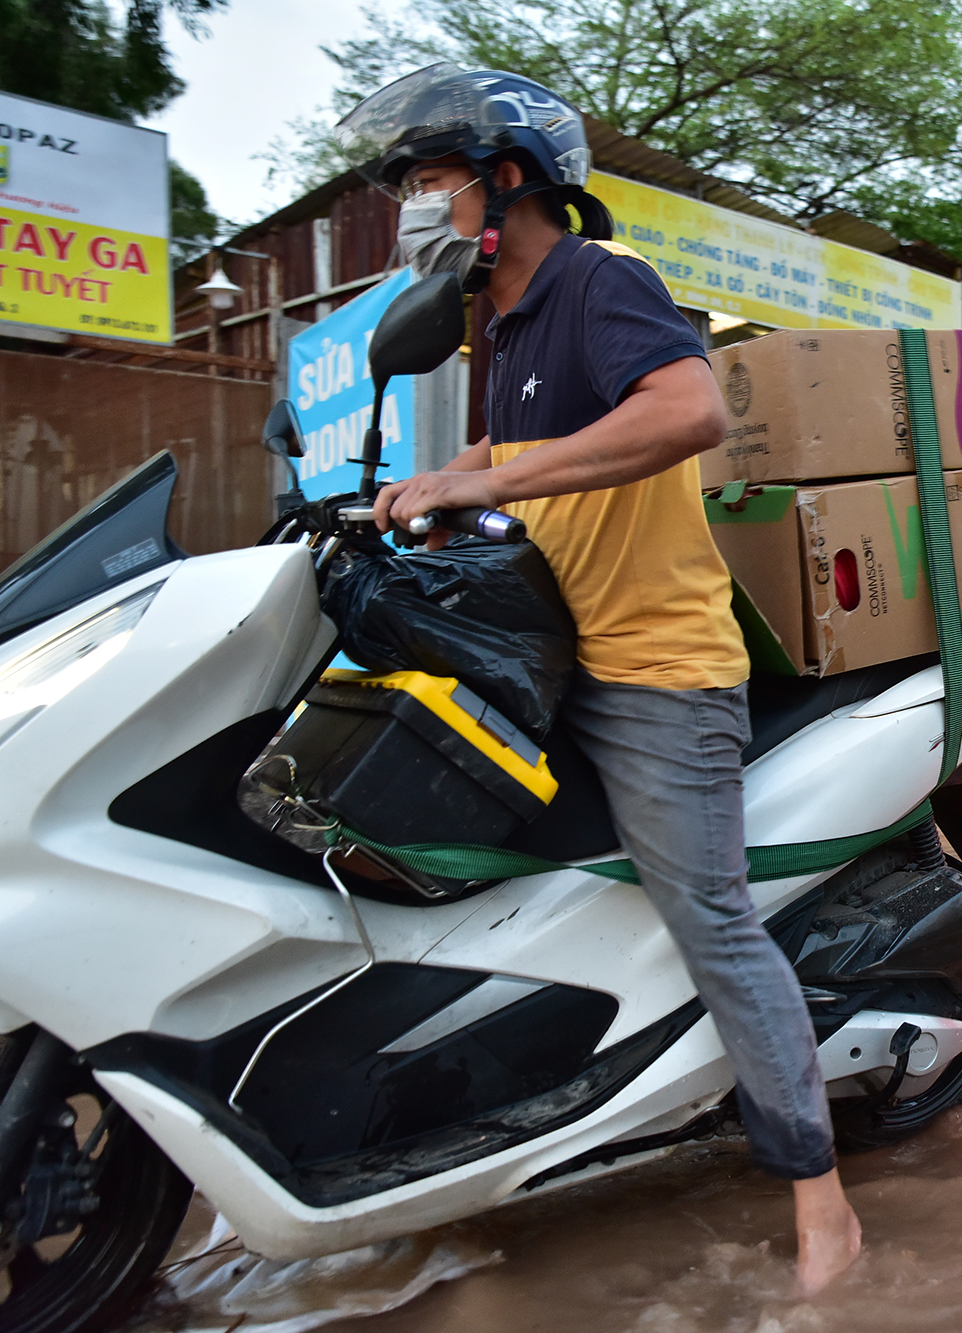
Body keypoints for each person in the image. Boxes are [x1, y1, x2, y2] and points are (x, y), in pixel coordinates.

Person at [341, 64, 860, 1292]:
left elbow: (686, 413)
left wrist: (477, 484)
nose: (413, 205)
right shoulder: (505, 322)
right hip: (551, 653)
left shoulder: (599, 280)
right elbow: (513, 446)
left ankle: (819, 1194)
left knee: (714, 921)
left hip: (655, 676)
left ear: (505, 180)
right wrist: (405, 493)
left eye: (427, 179)